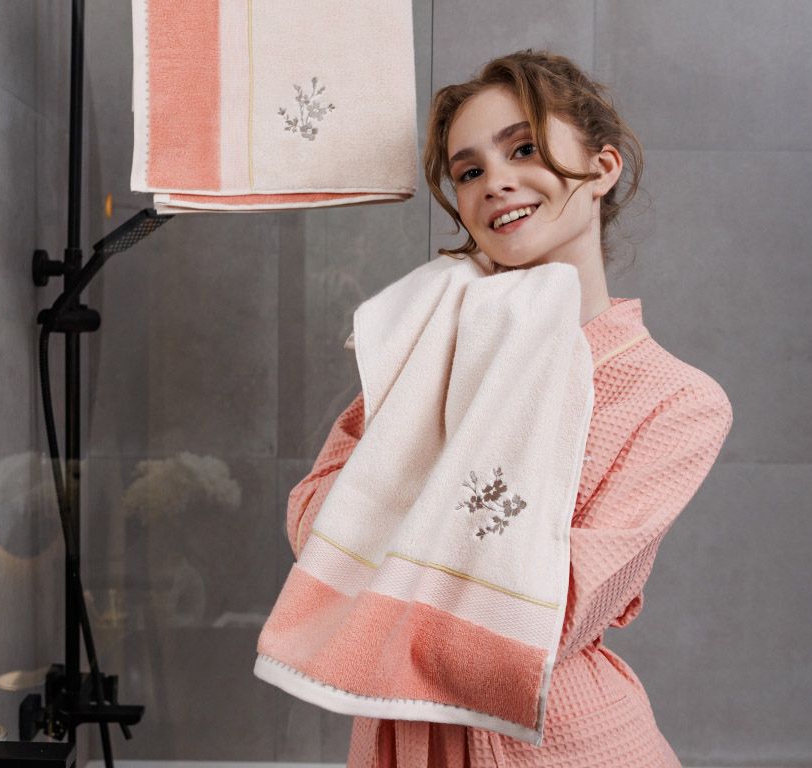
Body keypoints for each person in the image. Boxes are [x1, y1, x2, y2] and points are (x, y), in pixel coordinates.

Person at [285, 49, 733, 767]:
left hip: (564, 743)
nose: (495, 180)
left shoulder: (675, 400)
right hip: (399, 741)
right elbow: (313, 525)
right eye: (468, 172)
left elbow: (554, 611)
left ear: (602, 168)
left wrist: (398, 548)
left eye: (523, 149)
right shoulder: (429, 350)